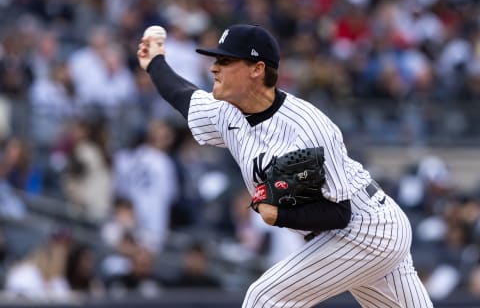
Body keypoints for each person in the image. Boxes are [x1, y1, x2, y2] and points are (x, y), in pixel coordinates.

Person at [137, 24, 433, 307]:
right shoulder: (227, 113)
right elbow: (183, 97)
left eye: (225, 61)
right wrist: (155, 62)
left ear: (257, 69)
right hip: (350, 233)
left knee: (265, 298)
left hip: (365, 228)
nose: (214, 67)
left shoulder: (306, 127)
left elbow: (339, 213)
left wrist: (279, 215)